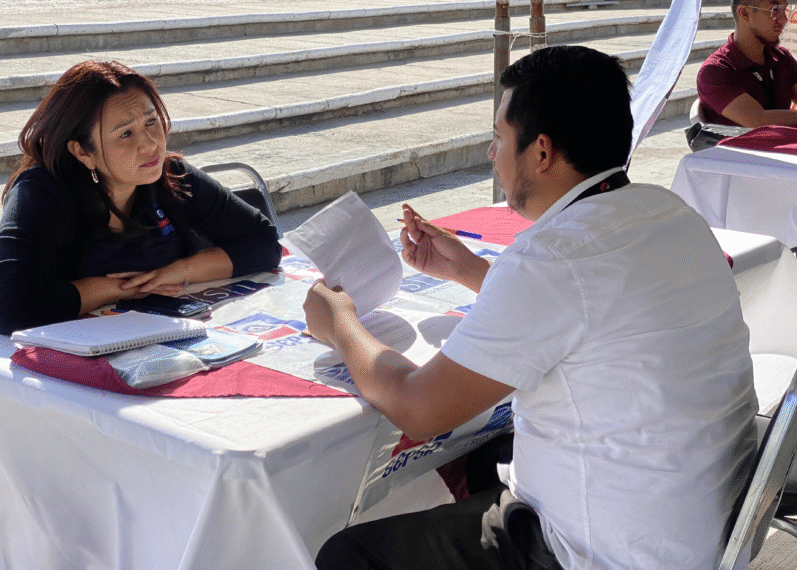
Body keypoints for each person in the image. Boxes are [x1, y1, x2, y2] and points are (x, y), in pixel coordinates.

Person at [304, 46, 759, 570]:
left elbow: (417, 409)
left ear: (541, 153)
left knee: (350, 554)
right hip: (697, 522)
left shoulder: (553, 257)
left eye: (499, 138)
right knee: (480, 454)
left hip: (609, 552)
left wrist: (340, 324)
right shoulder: (670, 213)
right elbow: (593, 311)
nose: (491, 155)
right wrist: (468, 270)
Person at [0, 60, 281, 335]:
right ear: (83, 152)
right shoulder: (41, 193)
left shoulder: (171, 177)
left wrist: (175, 272)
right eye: (125, 134)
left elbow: (263, 243)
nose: (150, 145)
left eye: (151, 123)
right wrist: (116, 288)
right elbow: (8, 307)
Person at [696, 0, 797, 126]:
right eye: (775, 10)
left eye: (785, 10)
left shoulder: (781, 57)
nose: (784, 20)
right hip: (742, 146)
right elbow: (758, 121)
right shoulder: (714, 71)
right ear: (744, 14)